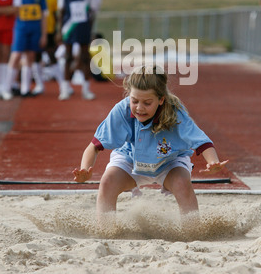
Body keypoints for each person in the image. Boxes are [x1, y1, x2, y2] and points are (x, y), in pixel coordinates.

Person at [73, 65, 228, 217]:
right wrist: (85, 169)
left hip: (169, 161)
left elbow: (202, 142)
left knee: (182, 184)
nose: (139, 108)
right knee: (107, 182)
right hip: (131, 158)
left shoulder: (175, 111)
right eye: (134, 101)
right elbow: (94, 146)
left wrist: (213, 162)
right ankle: (105, 231)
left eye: (147, 103)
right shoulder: (122, 110)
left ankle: (193, 231)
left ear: (161, 99)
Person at [3, 0, 47, 99]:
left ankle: (25, 88)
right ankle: (7, 88)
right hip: (21, 28)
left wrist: (44, 34)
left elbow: (43, 14)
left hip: (35, 28)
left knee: (30, 57)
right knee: (16, 56)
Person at [57, 0, 98, 100]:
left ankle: (86, 89)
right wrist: (59, 31)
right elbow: (61, 12)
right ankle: (65, 89)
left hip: (83, 27)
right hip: (69, 27)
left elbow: (92, 12)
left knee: (85, 57)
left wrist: (91, 30)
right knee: (67, 57)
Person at [31, 0, 62, 95]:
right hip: (35, 32)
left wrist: (57, 32)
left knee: (52, 56)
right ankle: (39, 85)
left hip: (49, 32)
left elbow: (55, 17)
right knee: (36, 58)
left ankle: (62, 84)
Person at [0, 0, 20, 99]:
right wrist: (7, 10)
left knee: (6, 55)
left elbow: (16, 9)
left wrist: (0, 9)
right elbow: (11, 9)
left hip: (9, 26)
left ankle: (5, 86)